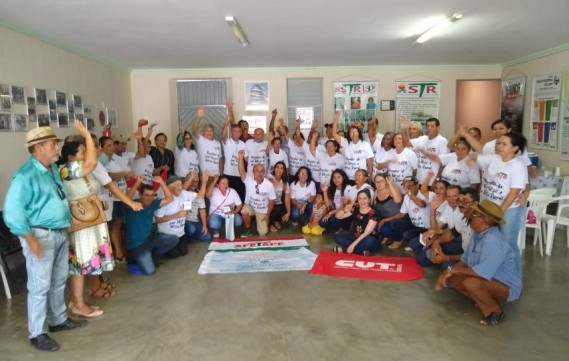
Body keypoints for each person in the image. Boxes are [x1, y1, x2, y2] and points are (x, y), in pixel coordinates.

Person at [3, 125, 87, 351]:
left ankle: (58, 320)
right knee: (40, 286)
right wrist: (29, 239)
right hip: (40, 235)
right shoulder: (25, 175)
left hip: (59, 233)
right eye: (53, 144)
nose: (57, 147)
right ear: (38, 148)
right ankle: (37, 333)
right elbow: (12, 212)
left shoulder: (50, 169)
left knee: (59, 280)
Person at [434, 199, 522, 326]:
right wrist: (448, 273)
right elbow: (465, 260)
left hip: (506, 286)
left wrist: (452, 270)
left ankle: (495, 311)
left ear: (483, 220)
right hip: (489, 279)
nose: (470, 216)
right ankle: (484, 299)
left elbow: (481, 273)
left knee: (471, 282)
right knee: (452, 279)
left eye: (474, 215)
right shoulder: (478, 233)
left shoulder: (492, 240)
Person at [124, 177, 179, 275]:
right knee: (150, 271)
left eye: (152, 195)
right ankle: (136, 258)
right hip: (136, 245)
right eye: (146, 195)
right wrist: (137, 183)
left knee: (174, 239)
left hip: (149, 239)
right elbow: (126, 200)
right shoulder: (132, 204)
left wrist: (162, 182)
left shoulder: (152, 204)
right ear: (140, 195)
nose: (149, 198)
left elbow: (170, 198)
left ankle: (151, 254)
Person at [401, 116, 449, 186]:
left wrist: (437, 179)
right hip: (419, 180)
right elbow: (406, 143)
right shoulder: (422, 139)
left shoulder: (442, 141)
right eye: (427, 126)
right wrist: (404, 129)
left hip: (432, 181)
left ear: (438, 128)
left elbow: (443, 163)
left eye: (432, 126)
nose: (429, 128)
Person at [238, 150, 276, 237]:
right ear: (253, 172)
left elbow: (271, 201)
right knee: (244, 211)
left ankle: (258, 222)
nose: (260, 173)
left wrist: (267, 215)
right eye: (257, 171)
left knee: (263, 233)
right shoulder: (248, 180)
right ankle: (248, 229)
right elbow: (241, 171)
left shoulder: (269, 185)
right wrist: (240, 158)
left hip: (262, 209)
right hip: (250, 206)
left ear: (264, 172)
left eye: (262, 171)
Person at [333, 189, 380, 255]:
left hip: (369, 239)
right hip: (356, 237)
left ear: (369, 199)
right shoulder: (356, 208)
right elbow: (338, 217)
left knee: (370, 241)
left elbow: (366, 233)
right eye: (360, 198)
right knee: (337, 237)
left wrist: (353, 245)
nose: (362, 201)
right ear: (357, 200)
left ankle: (345, 250)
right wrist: (344, 209)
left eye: (365, 198)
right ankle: (361, 251)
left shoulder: (374, 214)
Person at [332, 111, 374, 184]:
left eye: (355, 132)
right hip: (348, 178)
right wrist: (335, 120)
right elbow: (334, 134)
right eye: (351, 132)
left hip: (361, 178)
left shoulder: (365, 144)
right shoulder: (346, 143)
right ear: (348, 134)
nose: (353, 134)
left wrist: (369, 176)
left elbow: (370, 163)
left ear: (359, 133)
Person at [221, 112, 247, 202]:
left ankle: (238, 215)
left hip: (240, 175)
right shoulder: (227, 142)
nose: (236, 133)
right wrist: (226, 124)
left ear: (241, 133)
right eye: (234, 131)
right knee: (228, 198)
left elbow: (247, 159)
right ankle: (229, 216)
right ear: (231, 132)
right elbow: (223, 136)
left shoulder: (243, 144)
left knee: (240, 197)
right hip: (228, 174)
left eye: (239, 131)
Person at [192, 107, 222, 177]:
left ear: (213, 132)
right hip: (204, 175)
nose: (209, 133)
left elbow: (219, 159)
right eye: (207, 131)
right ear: (203, 132)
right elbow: (194, 131)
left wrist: (220, 172)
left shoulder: (217, 143)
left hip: (216, 175)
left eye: (211, 131)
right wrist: (199, 117)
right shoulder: (201, 140)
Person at [268, 161, 291, 232]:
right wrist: (279, 184)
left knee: (282, 212)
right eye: (277, 167)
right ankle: (271, 224)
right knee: (275, 207)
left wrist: (288, 212)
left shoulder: (285, 183)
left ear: (284, 171)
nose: (279, 170)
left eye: (281, 168)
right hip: (268, 203)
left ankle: (276, 221)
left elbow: (287, 200)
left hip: (279, 204)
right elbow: (273, 180)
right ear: (274, 168)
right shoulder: (269, 177)